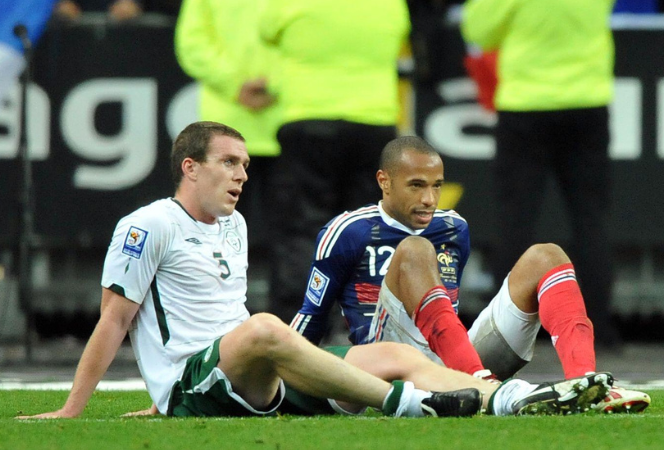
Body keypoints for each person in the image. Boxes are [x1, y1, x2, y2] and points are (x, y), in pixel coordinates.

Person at [16, 122, 612, 420]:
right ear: (190, 168)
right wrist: (82, 406)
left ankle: (508, 398)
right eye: (229, 164)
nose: (242, 175)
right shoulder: (146, 225)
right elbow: (114, 321)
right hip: (212, 373)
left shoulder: (234, 224)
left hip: (248, 371)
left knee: (395, 357)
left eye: (246, 165)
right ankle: (409, 407)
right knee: (266, 327)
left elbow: (222, 319)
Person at [291, 135, 650, 414]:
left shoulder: (453, 227)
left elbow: (445, 309)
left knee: (547, 255)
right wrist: (281, 381)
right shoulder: (347, 230)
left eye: (436, 185)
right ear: (384, 181)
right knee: (415, 251)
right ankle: (484, 387)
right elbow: (311, 318)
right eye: (416, 185)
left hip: (453, 356)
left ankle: (586, 383)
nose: (430, 198)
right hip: (382, 367)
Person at [460, 0, 621, 347]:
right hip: (586, 102)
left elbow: (478, 31)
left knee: (515, 222)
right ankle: (597, 331)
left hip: (525, 105)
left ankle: (503, 336)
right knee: (591, 221)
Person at [258, 0, 410, 323]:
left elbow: (266, 30)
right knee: (370, 230)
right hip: (374, 120)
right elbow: (400, 35)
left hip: (308, 117)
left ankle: (299, 330)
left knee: (302, 228)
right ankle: (370, 325)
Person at [174, 0, 281, 250]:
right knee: (293, 234)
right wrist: (275, 85)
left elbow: (194, 44)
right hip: (282, 120)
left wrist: (235, 85)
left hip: (230, 128)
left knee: (214, 228)